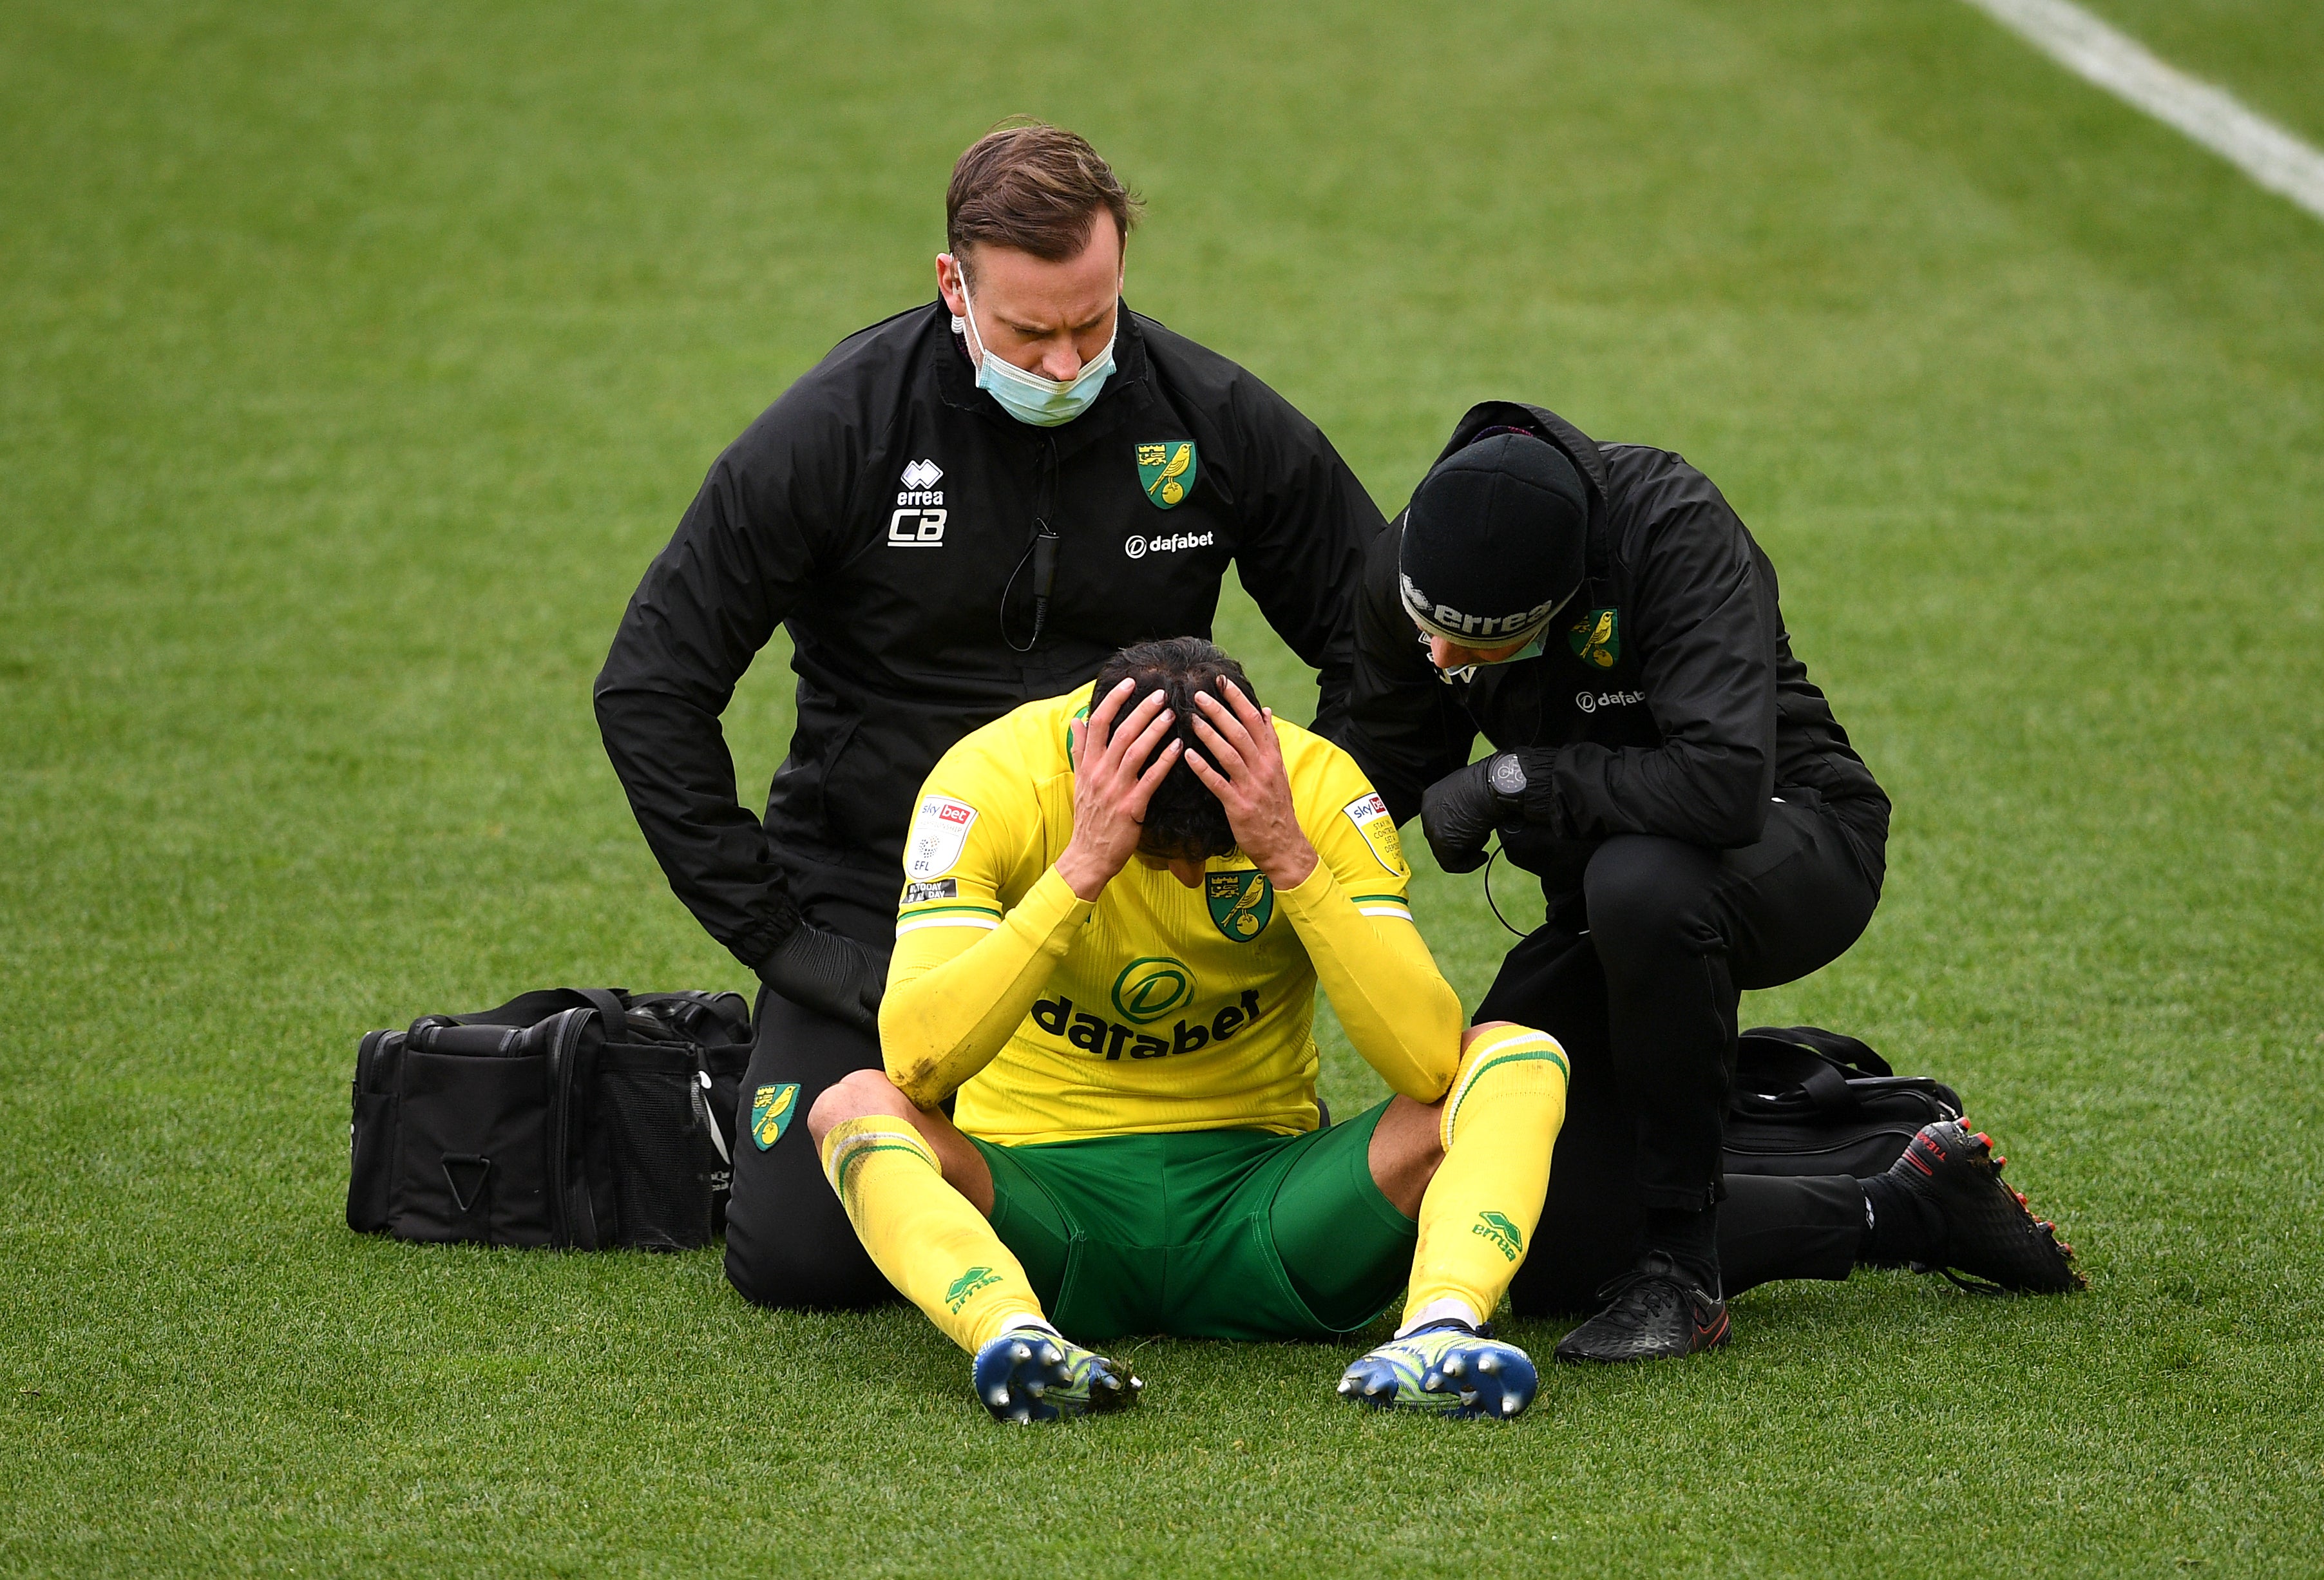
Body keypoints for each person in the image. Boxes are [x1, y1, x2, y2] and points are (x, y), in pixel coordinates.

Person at [592, 124, 1382, 1309]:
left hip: (1141, 910)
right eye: (1029, 332)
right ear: (951, 284)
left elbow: (1383, 653)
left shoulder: (1211, 417)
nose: (1066, 364)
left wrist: (1295, 856)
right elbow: (650, 683)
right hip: (884, 910)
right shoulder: (838, 431)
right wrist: (787, 941)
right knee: (804, 1263)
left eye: (1093, 322)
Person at [1338, 401, 2080, 1363]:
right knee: (1545, 1248)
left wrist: (1522, 776)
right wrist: (1261, 835)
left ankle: (1683, 1270)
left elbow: (1725, 785)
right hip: (1609, 912)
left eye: (1477, 647)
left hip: (1797, 837)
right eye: (1427, 631)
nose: (1441, 659)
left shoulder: (1670, 524)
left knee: (1640, 881)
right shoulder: (1414, 561)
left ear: (1565, 599)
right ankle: (1900, 1201)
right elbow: (1377, 767)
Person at [806, 638, 1572, 1421]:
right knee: (853, 1102)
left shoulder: (1314, 787)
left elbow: (1423, 1060)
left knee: (1516, 1054)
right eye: (1158, 851)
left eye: (1215, 850)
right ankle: (1014, 1332)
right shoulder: (993, 778)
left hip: (1270, 1213)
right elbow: (914, 1061)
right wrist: (1081, 867)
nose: (1189, 876)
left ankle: (1438, 1330)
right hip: (1047, 1217)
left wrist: (1286, 855)